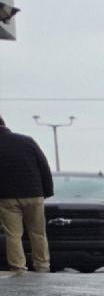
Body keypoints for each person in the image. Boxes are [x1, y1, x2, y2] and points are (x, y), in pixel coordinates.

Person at [0, 113, 54, 274]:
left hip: (6, 197)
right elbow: (44, 166)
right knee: (38, 232)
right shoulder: (27, 141)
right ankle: (42, 266)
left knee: (13, 234)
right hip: (33, 194)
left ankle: (18, 268)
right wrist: (47, 191)